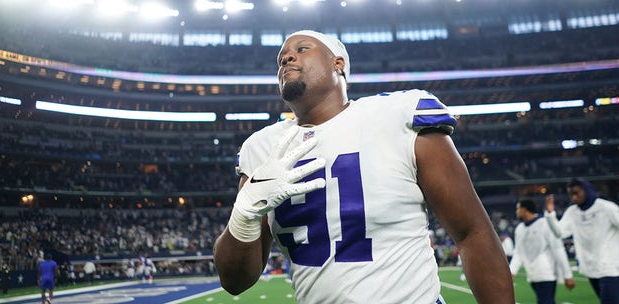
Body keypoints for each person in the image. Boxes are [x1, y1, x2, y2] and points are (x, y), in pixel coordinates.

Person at [213, 30, 514, 303]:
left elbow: (472, 233)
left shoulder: (398, 115)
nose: (287, 57)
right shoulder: (262, 148)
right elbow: (235, 282)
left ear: (338, 64)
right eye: (281, 58)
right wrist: (245, 213)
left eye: (302, 48)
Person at [544, 178, 619, 303]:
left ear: (586, 190)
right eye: (571, 194)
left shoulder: (606, 207)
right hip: (590, 268)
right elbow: (560, 232)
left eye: (576, 193)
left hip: (610, 267)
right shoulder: (572, 212)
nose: (573, 197)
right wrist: (550, 214)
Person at [509, 199, 575, 304]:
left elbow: (558, 249)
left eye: (518, 208)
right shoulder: (519, 229)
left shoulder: (545, 224)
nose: (516, 211)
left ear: (525, 210)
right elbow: (518, 252)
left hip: (547, 274)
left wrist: (568, 275)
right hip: (532, 275)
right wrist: (512, 271)